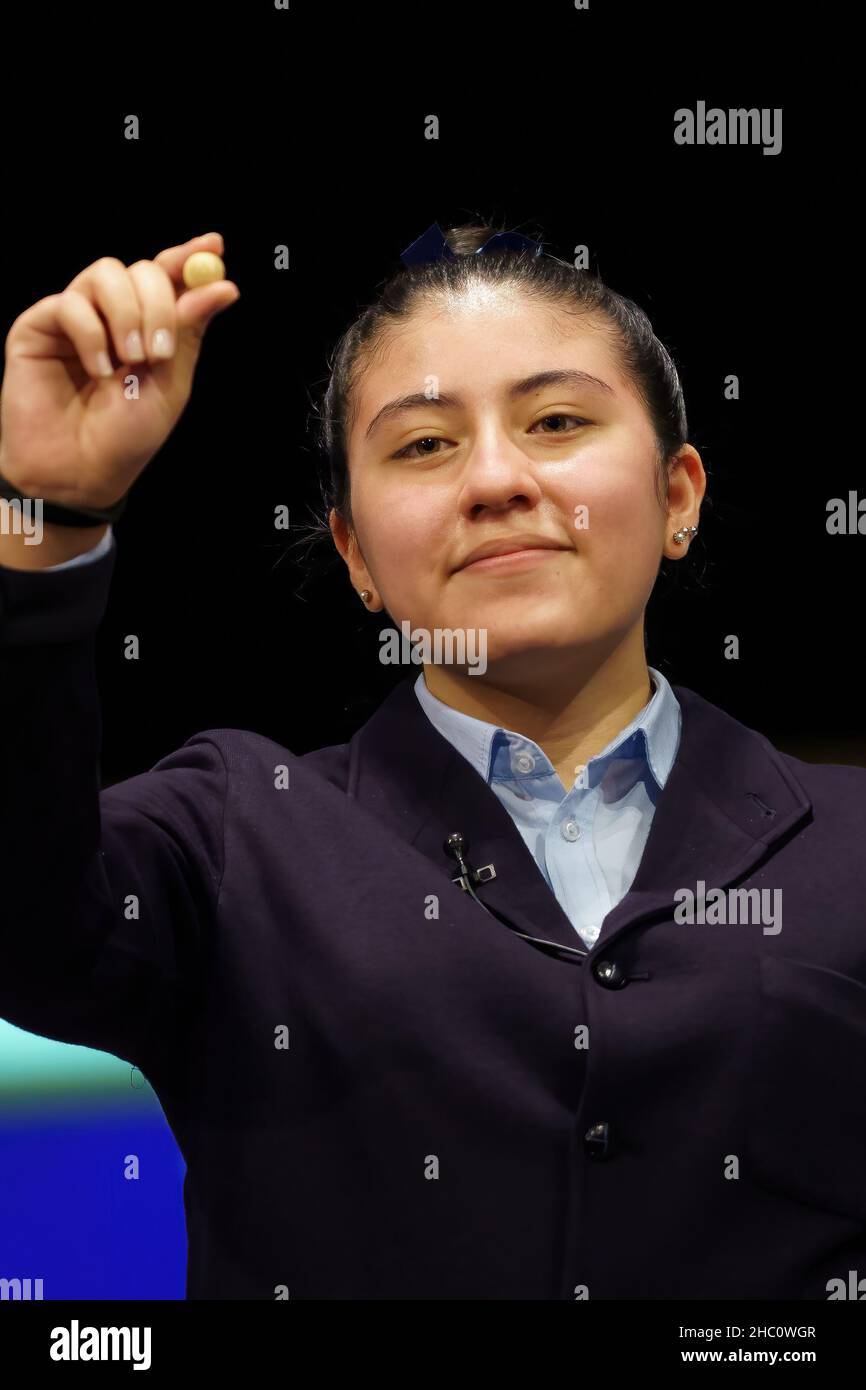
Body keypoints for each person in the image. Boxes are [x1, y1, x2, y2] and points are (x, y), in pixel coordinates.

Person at [0, 223, 864, 1302]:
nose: (495, 479)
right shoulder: (233, 829)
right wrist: (49, 516)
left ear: (678, 495)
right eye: (422, 445)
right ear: (356, 555)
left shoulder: (854, 843)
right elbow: (27, 912)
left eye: (555, 421)